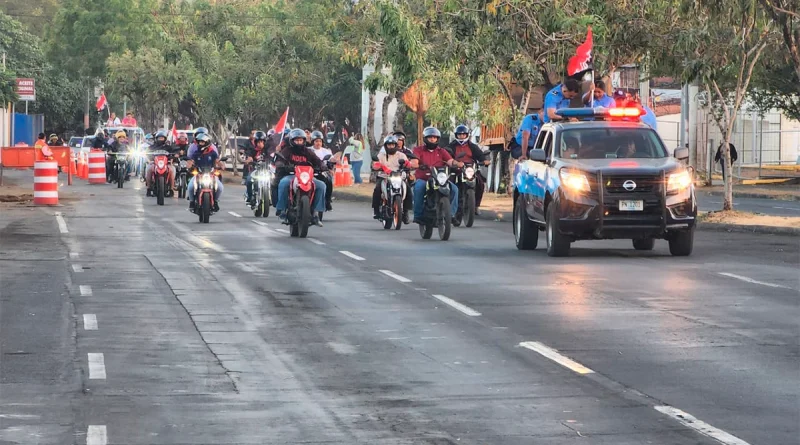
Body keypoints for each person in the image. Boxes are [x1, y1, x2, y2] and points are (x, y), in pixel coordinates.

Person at [274, 128, 327, 226]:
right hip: (291, 176)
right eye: (296, 140)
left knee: (321, 186)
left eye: (301, 140)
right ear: (292, 141)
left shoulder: (308, 151)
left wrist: (322, 166)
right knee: (283, 183)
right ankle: (282, 211)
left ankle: (316, 213)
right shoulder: (287, 151)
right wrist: (281, 164)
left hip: (306, 177)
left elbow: (317, 161)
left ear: (304, 140)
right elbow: (279, 160)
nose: (299, 142)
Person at [412, 127, 463, 224]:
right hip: (424, 178)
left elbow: (450, 161)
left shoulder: (441, 151)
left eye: (434, 137)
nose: (432, 139)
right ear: (425, 138)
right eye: (430, 137)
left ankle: (451, 214)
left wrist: (458, 164)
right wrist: (415, 164)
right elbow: (414, 161)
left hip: (439, 179)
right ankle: (418, 215)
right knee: (419, 188)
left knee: (455, 189)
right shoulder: (418, 150)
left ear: (437, 139)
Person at [447, 124, 489, 215]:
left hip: (470, 169)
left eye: (463, 134)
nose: (461, 136)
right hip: (456, 169)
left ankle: (476, 205)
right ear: (456, 135)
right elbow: (446, 155)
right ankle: (449, 206)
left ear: (467, 135)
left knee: (480, 183)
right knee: (450, 183)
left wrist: (485, 161)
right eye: (459, 135)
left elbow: (480, 155)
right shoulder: (451, 146)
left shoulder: (472, 146)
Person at [372, 135, 410, 219]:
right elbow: (375, 165)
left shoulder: (401, 155)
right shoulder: (381, 155)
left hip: (399, 177)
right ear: (385, 146)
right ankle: (376, 210)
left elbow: (407, 163)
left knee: (408, 190)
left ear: (396, 145)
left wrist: (408, 165)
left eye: (393, 144)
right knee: (377, 190)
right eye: (389, 145)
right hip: (384, 177)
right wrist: (379, 167)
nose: (391, 146)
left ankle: (406, 212)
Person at [186, 133, 224, 212]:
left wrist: (222, 165)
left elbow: (217, 161)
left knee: (220, 187)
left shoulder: (212, 152)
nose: (200, 144)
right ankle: (192, 202)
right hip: (199, 175)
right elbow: (191, 162)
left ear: (207, 142)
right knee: (190, 187)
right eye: (199, 142)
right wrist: (189, 166)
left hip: (211, 175)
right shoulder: (196, 153)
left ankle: (216, 201)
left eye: (202, 142)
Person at [309, 131, 335, 211]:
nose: (318, 143)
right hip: (309, 172)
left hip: (322, 172)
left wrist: (331, 167)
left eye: (320, 141)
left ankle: (327, 201)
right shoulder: (308, 150)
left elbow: (331, 160)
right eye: (316, 141)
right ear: (313, 141)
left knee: (329, 181)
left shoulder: (326, 151)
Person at [145, 130, 176, 196]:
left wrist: (171, 160)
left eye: (162, 138)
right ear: (156, 139)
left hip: (166, 164)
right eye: (159, 138)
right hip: (154, 163)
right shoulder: (152, 147)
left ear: (165, 139)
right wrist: (149, 161)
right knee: (149, 169)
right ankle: (149, 188)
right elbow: (146, 154)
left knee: (172, 170)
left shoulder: (168, 147)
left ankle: (171, 189)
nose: (161, 139)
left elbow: (173, 155)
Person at [242, 131, 268, 205]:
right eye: (258, 142)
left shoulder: (267, 150)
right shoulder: (252, 150)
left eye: (262, 142)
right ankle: (250, 197)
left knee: (274, 181)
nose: (260, 144)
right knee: (249, 180)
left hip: (265, 171)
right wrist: (249, 160)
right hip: (255, 171)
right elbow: (249, 157)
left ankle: (271, 197)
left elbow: (272, 156)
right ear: (255, 143)